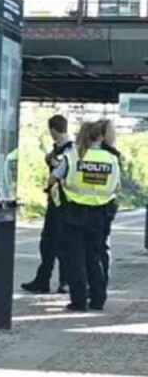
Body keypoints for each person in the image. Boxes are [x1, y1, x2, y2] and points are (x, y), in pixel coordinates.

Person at [49, 120, 121, 312]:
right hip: (99, 214)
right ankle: (98, 300)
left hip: (74, 213)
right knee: (94, 258)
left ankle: (79, 302)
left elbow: (53, 178)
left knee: (75, 259)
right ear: (100, 136)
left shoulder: (72, 156)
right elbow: (117, 187)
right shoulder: (111, 159)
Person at [22, 114, 73, 294]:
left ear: (52, 130)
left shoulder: (69, 151)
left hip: (63, 203)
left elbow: (62, 173)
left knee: (60, 243)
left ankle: (64, 281)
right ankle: (43, 280)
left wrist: (54, 163)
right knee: (48, 242)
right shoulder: (59, 149)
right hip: (55, 202)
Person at [101, 123, 122, 282]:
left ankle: (93, 282)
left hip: (88, 207)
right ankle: (102, 280)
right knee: (103, 245)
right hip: (108, 205)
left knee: (92, 248)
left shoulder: (85, 154)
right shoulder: (114, 156)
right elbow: (118, 187)